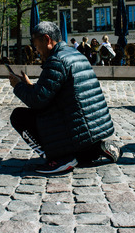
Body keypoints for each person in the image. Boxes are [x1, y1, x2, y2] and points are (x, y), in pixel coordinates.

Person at [9, 21, 121, 174]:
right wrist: (30, 85)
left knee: (19, 116)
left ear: (47, 40)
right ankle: (95, 149)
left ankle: (60, 158)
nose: (36, 50)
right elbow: (55, 91)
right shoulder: (74, 54)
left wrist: (18, 86)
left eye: (36, 44)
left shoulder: (56, 61)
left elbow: (37, 101)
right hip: (92, 127)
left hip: (76, 126)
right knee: (82, 152)